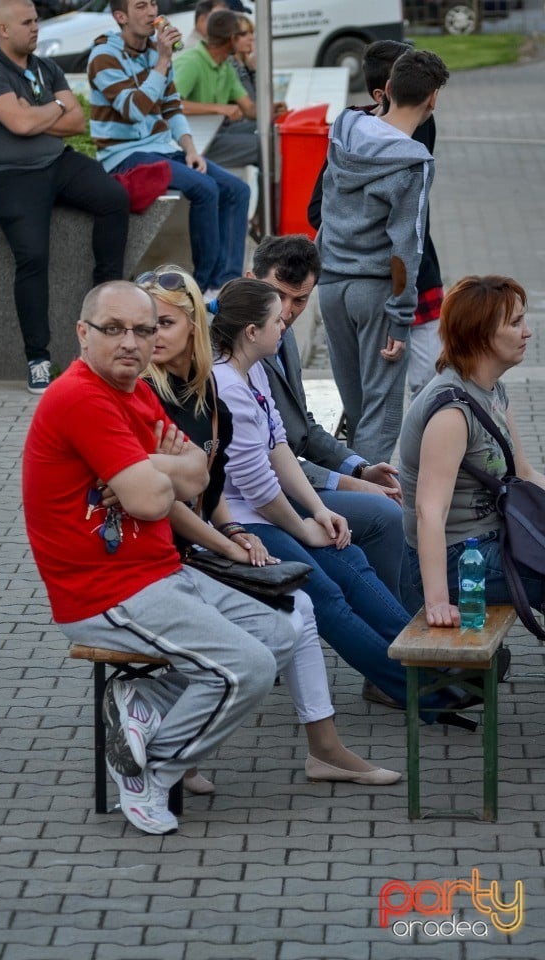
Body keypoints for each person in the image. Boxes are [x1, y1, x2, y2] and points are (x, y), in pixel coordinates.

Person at [22, 279, 300, 835]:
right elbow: (153, 499)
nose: (131, 342)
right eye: (114, 329)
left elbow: (197, 475)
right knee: (249, 667)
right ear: (83, 333)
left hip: (159, 572)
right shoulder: (79, 396)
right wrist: (158, 471)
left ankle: (143, 704)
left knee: (282, 633)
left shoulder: (138, 392)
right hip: (104, 591)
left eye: (143, 331)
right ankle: (154, 769)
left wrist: (148, 467)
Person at [139, 264, 401, 786]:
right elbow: (179, 498)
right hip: (170, 556)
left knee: (340, 566)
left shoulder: (207, 386)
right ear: (250, 331)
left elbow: (218, 480)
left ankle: (417, 666)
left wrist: (311, 514)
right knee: (310, 596)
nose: (148, 338)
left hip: (224, 530)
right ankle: (418, 683)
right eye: (144, 326)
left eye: (161, 325)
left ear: (194, 327)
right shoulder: (169, 392)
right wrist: (234, 539)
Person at [209, 277, 467, 720]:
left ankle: (432, 660)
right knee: (323, 594)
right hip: (243, 523)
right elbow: (256, 487)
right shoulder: (227, 386)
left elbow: (280, 449)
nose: (285, 327)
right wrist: (304, 526)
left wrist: (320, 510)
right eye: (277, 320)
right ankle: (418, 691)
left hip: (268, 513)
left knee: (353, 564)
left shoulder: (251, 370)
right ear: (251, 332)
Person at [0, 0, 130, 395]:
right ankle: (38, 358)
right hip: (7, 177)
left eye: (37, 20)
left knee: (114, 198)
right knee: (33, 255)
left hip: (56, 164)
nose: (36, 28)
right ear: (3, 30)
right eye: (27, 22)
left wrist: (43, 111)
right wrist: (50, 110)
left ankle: (106, 310)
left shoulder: (45, 66)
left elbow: (75, 120)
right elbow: (21, 123)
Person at [252, 234, 413, 614]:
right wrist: (350, 483)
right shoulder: (233, 344)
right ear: (250, 279)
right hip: (265, 496)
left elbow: (302, 426)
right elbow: (266, 458)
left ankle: (415, 626)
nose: (288, 311)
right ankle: (398, 634)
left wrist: (359, 467)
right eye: (278, 295)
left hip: (291, 480)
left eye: (300, 300)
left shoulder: (281, 334)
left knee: (397, 498)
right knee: (386, 513)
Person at [318, 49, 449, 462]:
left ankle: (350, 503)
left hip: (330, 287)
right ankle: (372, 511)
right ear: (433, 99)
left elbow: (323, 202)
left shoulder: (345, 125)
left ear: (387, 90)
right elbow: (406, 246)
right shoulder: (414, 162)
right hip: (375, 295)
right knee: (381, 415)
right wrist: (401, 315)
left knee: (355, 408)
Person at [399, 274, 545, 629]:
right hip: (456, 560)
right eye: (515, 323)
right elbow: (429, 511)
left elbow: (524, 472)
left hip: (494, 538)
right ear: (480, 335)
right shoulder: (451, 412)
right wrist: (436, 602)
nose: (527, 332)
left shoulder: (490, 389)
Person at [87, 0, 249, 297]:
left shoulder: (153, 51)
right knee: (205, 188)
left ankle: (225, 285)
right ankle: (201, 289)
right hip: (124, 154)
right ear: (121, 17)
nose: (152, 12)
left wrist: (190, 149)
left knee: (237, 190)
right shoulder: (103, 57)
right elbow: (135, 109)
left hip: (162, 147)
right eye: (141, 6)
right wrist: (162, 60)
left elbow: (172, 106)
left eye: (153, 4)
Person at [174, 8, 259, 168]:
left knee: (273, 133)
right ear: (233, 39)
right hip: (192, 143)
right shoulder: (191, 62)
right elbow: (171, 105)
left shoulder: (225, 65)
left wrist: (272, 111)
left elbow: (249, 109)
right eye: (241, 35)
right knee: (263, 146)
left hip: (217, 132)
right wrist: (220, 108)